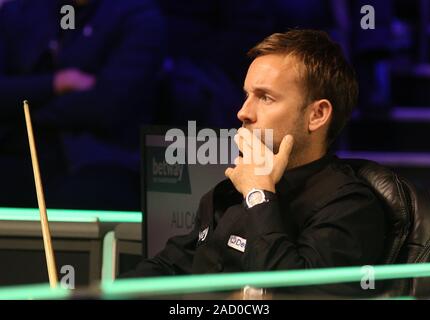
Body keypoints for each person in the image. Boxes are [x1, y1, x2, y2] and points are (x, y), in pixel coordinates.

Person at [123, 30, 388, 298]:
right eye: (247, 95)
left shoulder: (351, 207)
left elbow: (291, 293)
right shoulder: (228, 194)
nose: (243, 112)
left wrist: (259, 194)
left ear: (317, 115)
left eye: (265, 97)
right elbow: (167, 268)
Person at [0, 0, 164, 210]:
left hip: (99, 159)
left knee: (85, 197)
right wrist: (56, 83)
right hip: (16, 150)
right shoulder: (23, 11)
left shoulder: (139, 16)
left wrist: (22, 105)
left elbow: (107, 106)